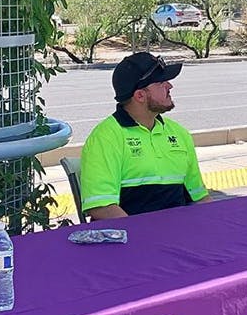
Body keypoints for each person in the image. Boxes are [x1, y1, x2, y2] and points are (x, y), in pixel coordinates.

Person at [79, 52, 212, 220]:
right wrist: (141, 238)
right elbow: (101, 207)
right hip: (131, 240)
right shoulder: (105, 137)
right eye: (161, 82)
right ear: (140, 95)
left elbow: (200, 198)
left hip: (179, 236)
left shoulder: (179, 133)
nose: (170, 86)